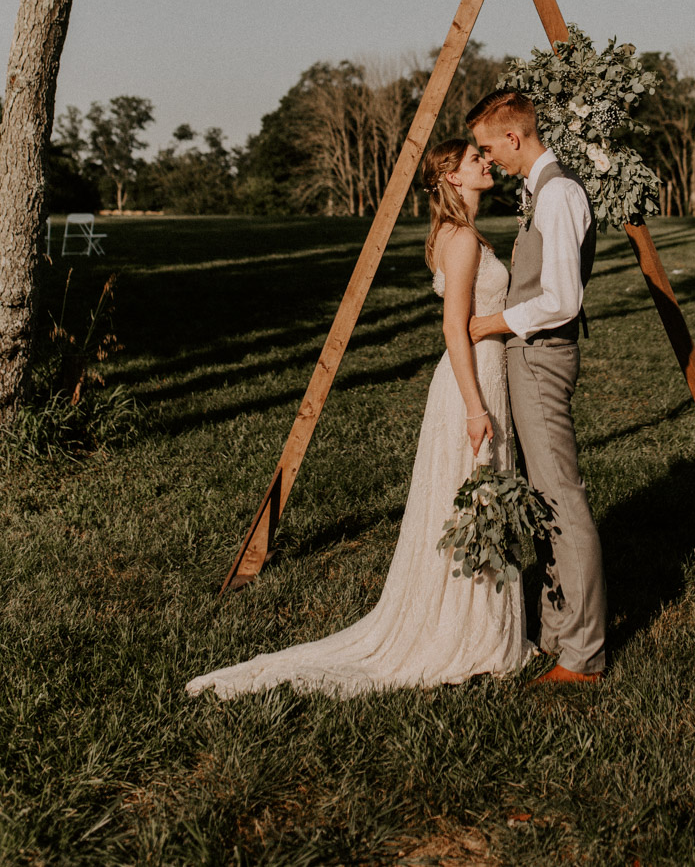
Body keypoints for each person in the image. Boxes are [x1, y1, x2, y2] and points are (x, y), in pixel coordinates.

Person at [186, 139, 533, 700]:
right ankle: (468, 632)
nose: (486, 161)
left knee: (477, 499)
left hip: (480, 373)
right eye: (475, 158)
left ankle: (481, 623)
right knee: (474, 496)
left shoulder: (460, 233)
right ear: (451, 176)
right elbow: (454, 327)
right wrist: (475, 407)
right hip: (471, 381)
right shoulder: (463, 238)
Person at [467, 90, 607, 685]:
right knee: (544, 499)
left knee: (561, 498)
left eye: (487, 146)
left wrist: (491, 323)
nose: (486, 157)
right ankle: (557, 630)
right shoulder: (537, 191)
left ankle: (583, 655)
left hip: (542, 357)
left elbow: (561, 300)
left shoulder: (559, 194)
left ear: (514, 137)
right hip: (529, 356)